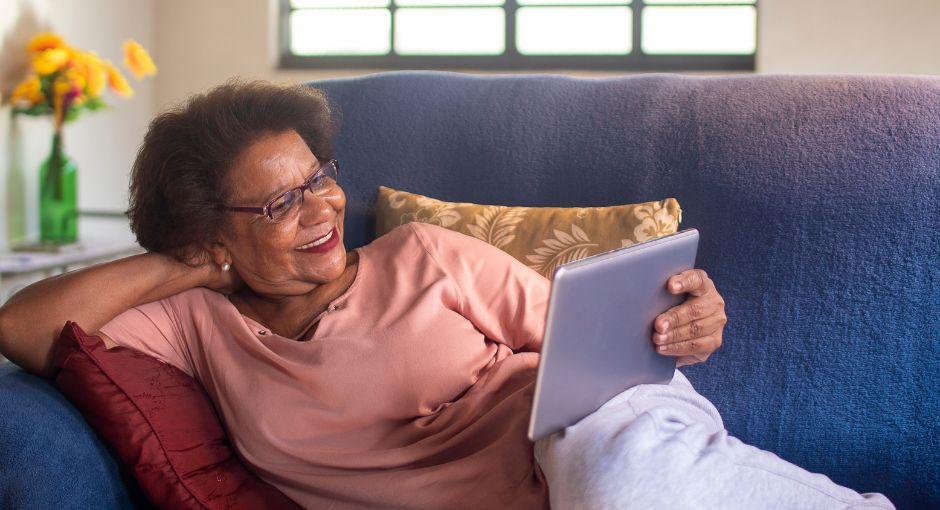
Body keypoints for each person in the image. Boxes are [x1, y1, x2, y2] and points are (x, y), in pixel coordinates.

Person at [0, 81, 892, 509]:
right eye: (280, 202)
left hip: (585, 434)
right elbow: (23, 325)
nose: (322, 210)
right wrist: (192, 264)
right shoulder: (197, 326)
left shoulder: (419, 256)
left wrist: (691, 317)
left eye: (320, 178)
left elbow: (604, 343)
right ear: (210, 229)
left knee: (620, 483)